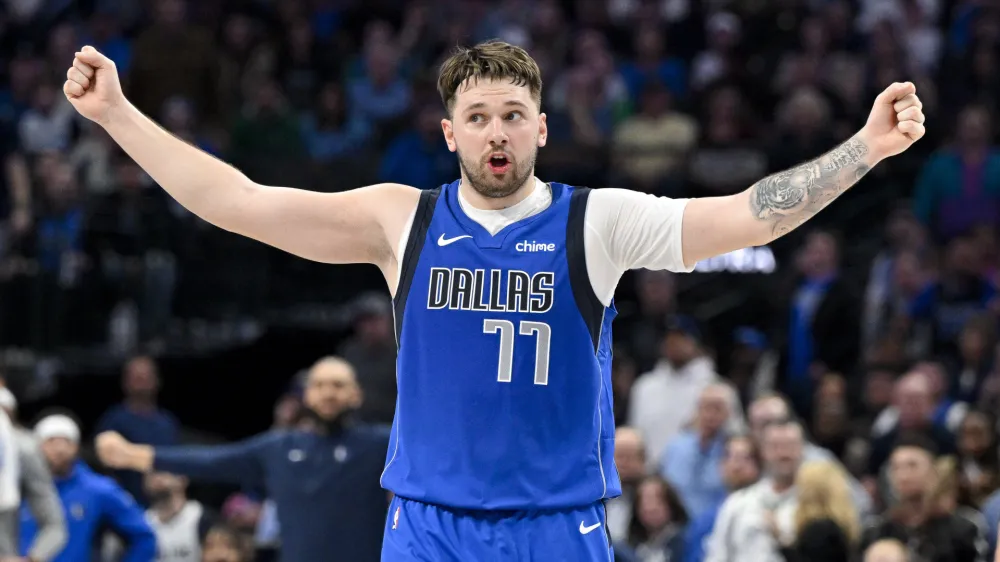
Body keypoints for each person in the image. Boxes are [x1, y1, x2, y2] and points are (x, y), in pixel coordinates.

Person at [64, 38, 927, 560]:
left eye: (514, 114)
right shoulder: (400, 219)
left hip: (558, 524)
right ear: (449, 133)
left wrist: (862, 150)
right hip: (430, 526)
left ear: (542, 127)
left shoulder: (598, 222)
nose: (496, 131)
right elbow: (238, 203)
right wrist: (117, 117)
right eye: (476, 116)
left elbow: (749, 218)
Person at [96, 356, 390, 562]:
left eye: (338, 385)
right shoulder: (278, 448)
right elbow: (212, 462)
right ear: (307, 395)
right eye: (320, 385)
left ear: (356, 394)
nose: (329, 393)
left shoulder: (383, 444)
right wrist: (135, 455)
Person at [21, 413, 155, 562]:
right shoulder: (16, 488)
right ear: (36, 446)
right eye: (51, 441)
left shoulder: (99, 490)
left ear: (77, 447)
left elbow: (143, 537)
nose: (59, 449)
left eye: (67, 441)